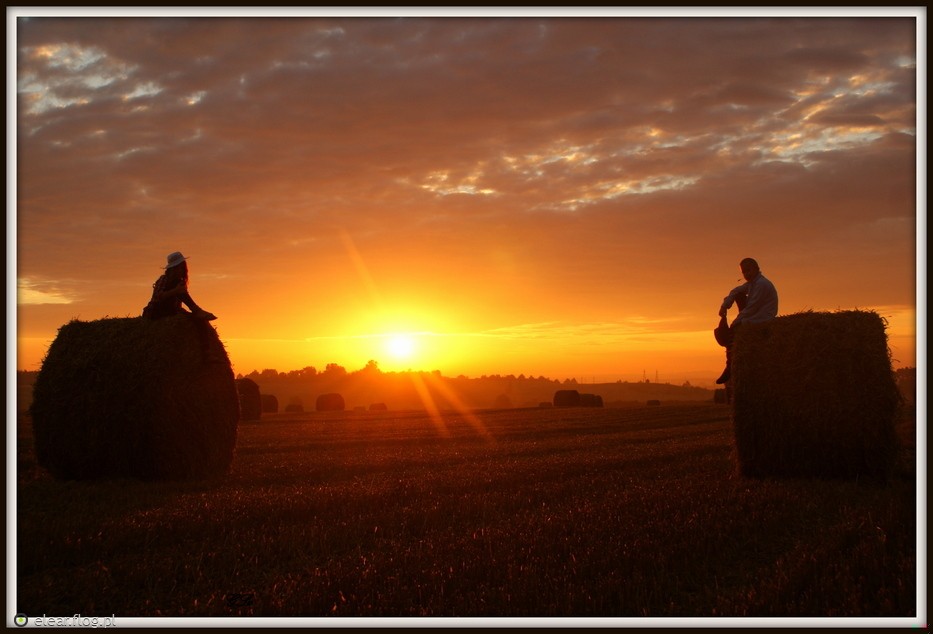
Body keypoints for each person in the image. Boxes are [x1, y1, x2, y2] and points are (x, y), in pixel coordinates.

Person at [715, 257, 778, 384]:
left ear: (757, 269)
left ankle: (730, 366)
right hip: (754, 315)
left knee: (733, 333)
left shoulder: (761, 284)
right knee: (738, 293)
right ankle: (731, 364)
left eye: (749, 270)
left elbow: (752, 308)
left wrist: (736, 322)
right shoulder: (752, 284)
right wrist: (725, 305)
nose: (746, 274)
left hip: (762, 318)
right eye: (744, 272)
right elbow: (735, 291)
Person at [142, 251, 217, 321]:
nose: (181, 270)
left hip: (172, 310)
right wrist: (176, 290)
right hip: (156, 311)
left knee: (198, 321)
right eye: (179, 267)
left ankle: (197, 312)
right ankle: (196, 310)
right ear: (173, 269)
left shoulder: (180, 282)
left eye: (183, 267)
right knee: (176, 285)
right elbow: (158, 297)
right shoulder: (164, 279)